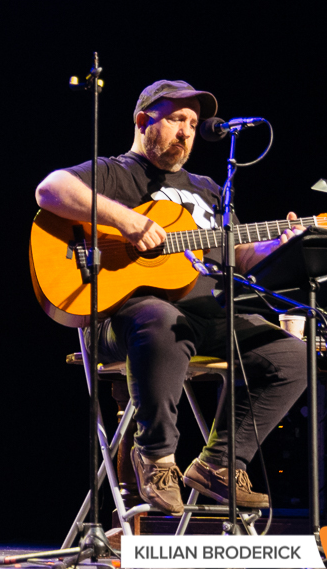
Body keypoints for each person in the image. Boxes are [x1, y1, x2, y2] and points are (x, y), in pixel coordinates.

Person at [34, 79, 308, 514]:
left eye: (194, 124)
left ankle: (219, 464)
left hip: (205, 313)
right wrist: (126, 221)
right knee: (161, 319)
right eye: (178, 119)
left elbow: (237, 254)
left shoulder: (209, 188)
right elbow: (49, 190)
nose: (187, 132)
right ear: (144, 122)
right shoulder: (112, 172)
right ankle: (157, 457)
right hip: (123, 318)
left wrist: (278, 245)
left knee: (292, 355)